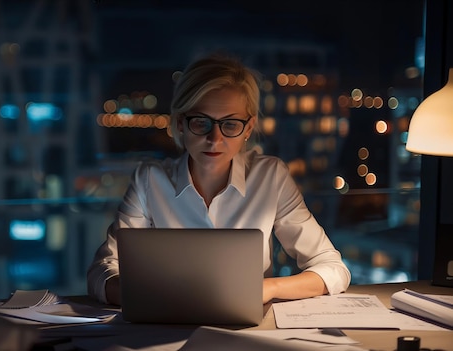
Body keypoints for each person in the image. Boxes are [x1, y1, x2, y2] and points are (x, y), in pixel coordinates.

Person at [87, 52, 351, 306]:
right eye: (201, 123)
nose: (215, 139)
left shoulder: (270, 177)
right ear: (180, 123)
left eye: (230, 124)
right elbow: (101, 273)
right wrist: (153, 297)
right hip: (166, 330)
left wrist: (266, 289)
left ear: (248, 128)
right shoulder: (150, 181)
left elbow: (332, 268)